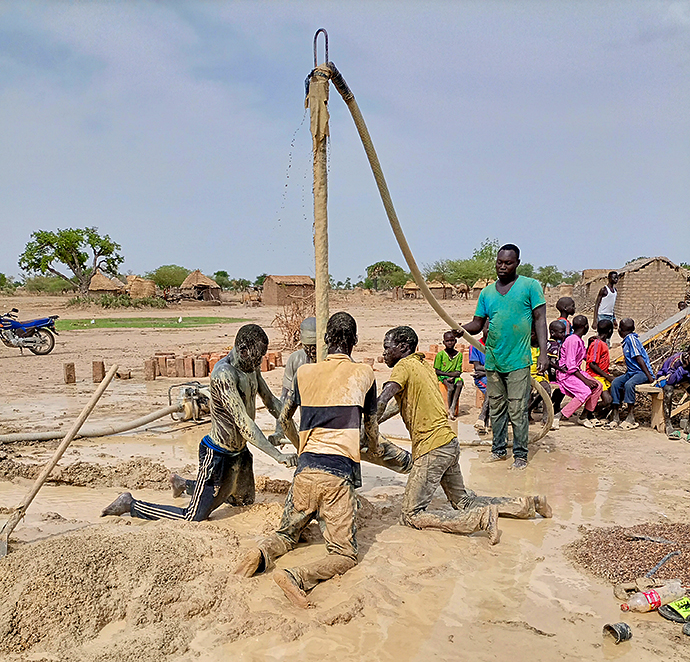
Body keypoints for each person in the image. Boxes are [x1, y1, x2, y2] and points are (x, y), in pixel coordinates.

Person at [233, 313, 381, 608]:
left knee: (287, 535)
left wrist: (300, 445)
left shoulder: (304, 374)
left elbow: (284, 416)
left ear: (326, 341)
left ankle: (260, 554)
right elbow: (372, 429)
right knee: (344, 554)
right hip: (337, 475)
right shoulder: (365, 374)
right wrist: (370, 448)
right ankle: (297, 576)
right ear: (354, 341)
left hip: (304, 472)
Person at [376, 325, 552, 543]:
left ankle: (479, 520)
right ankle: (528, 504)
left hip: (431, 448)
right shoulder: (423, 366)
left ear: (402, 347)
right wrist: (377, 420)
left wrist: (364, 425)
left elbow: (384, 399)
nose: (383, 353)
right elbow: (396, 405)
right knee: (464, 501)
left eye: (386, 347)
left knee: (411, 515)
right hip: (448, 443)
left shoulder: (403, 366)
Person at [101, 324, 297, 520]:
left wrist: (295, 439)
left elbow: (271, 402)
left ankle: (183, 485)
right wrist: (278, 456)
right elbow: (243, 423)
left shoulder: (251, 367)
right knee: (194, 516)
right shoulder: (224, 374)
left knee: (243, 501)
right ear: (242, 350)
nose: (257, 363)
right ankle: (131, 504)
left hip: (241, 454)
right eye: (255, 358)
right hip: (218, 456)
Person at [460, 243, 548, 470]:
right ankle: (498, 450)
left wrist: (544, 354)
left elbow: (540, 320)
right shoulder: (487, 293)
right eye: (499, 262)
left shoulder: (530, 286)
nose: (502, 266)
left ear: (517, 263)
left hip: (518, 360)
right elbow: (478, 324)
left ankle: (520, 455)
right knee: (497, 408)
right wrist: (459, 329)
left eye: (508, 263)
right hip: (494, 360)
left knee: (517, 409)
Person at [268, 317, 317, 446]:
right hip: (306, 426)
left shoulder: (334, 360)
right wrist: (281, 430)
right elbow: (284, 399)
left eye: (315, 347)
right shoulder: (296, 360)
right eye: (308, 347)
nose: (312, 352)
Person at [552, 315, 603, 428]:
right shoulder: (572, 340)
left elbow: (584, 356)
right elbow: (571, 366)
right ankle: (558, 416)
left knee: (598, 386)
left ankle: (584, 416)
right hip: (566, 375)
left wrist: (591, 345)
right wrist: (585, 380)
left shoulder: (578, 340)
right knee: (585, 391)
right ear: (586, 327)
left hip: (575, 373)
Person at [610, 318, 653, 430]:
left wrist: (649, 377)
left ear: (619, 330)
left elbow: (639, 359)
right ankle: (615, 415)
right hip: (631, 372)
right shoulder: (626, 341)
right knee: (615, 383)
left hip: (641, 372)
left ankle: (630, 416)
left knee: (629, 385)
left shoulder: (631, 340)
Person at [655, 351, 690, 439]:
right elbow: (670, 380)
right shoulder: (676, 360)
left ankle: (688, 426)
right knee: (669, 389)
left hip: (683, 379)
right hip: (665, 377)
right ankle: (668, 424)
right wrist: (682, 368)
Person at [585, 319, 615, 415]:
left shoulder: (601, 343)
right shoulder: (598, 344)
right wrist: (607, 376)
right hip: (595, 376)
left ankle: (599, 413)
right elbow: (592, 364)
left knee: (616, 392)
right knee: (608, 400)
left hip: (602, 375)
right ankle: (589, 412)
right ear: (610, 331)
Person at [433, 331, 464, 420]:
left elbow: (458, 371)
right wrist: (449, 375)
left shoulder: (459, 355)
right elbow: (437, 371)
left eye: (452, 340)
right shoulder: (440, 355)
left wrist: (453, 377)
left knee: (459, 384)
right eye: (447, 341)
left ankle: (452, 407)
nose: (450, 343)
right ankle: (448, 409)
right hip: (443, 377)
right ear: (444, 342)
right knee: (450, 388)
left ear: (455, 341)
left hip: (455, 377)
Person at [545, 320, 567, 430]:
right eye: (561, 332)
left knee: (561, 388)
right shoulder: (553, 345)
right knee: (563, 386)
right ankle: (554, 405)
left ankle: (555, 404)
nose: (564, 335)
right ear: (553, 333)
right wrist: (560, 368)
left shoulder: (550, 343)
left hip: (552, 373)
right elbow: (548, 361)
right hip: (549, 374)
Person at [470, 321, 489, 431]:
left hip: (493, 376)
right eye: (487, 328)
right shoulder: (475, 345)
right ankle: (483, 418)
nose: (489, 331)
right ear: (482, 329)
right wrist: (489, 371)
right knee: (491, 390)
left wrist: (485, 370)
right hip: (482, 378)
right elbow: (477, 368)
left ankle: (483, 419)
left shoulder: (497, 345)